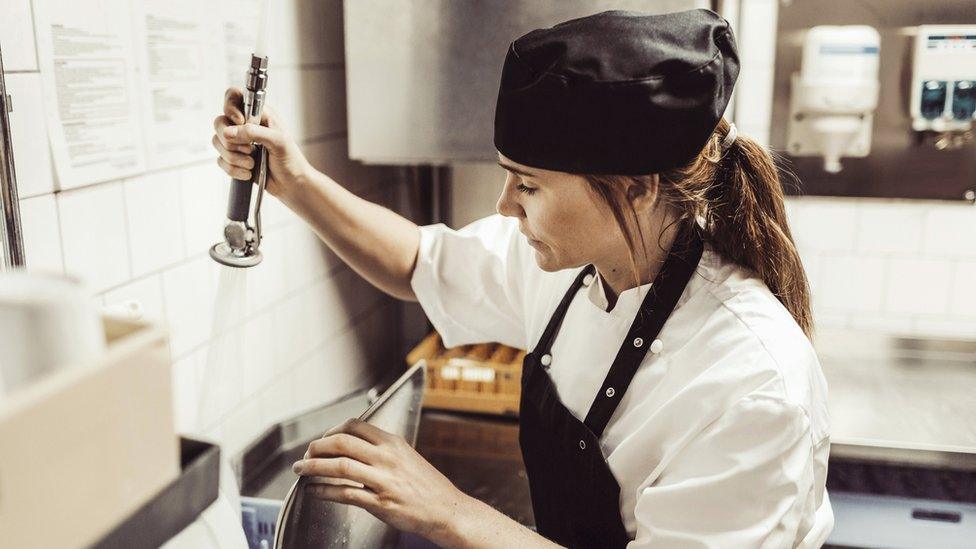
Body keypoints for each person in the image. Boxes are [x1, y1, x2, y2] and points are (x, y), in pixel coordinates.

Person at [211, 8, 831, 548]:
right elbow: (417, 263)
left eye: (528, 184)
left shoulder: (750, 386)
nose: (506, 206)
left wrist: (448, 511)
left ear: (638, 189)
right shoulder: (569, 266)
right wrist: (291, 179)